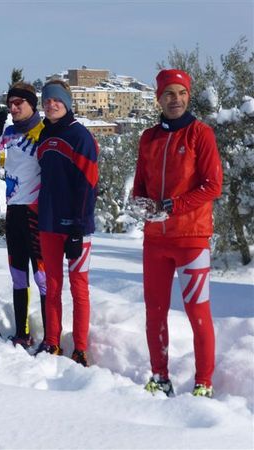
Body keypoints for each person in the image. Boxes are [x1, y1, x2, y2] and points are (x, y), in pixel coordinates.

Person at [133, 69, 223, 398]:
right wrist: (140, 204)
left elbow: (213, 185)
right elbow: (140, 184)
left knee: (198, 312)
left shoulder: (201, 134)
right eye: (169, 94)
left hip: (192, 240)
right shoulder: (149, 138)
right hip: (155, 241)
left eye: (181, 93)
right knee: (154, 311)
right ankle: (160, 377)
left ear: (188, 96)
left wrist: (174, 206)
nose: (176, 99)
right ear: (159, 98)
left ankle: (204, 383)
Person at [35, 80, 99, 366]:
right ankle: (52, 342)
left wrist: (78, 225)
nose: (51, 104)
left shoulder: (80, 136)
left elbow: (89, 184)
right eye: (47, 101)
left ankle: (80, 348)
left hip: (76, 228)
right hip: (48, 224)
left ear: (67, 103)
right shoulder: (44, 137)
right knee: (52, 285)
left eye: (56, 100)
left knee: (79, 286)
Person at [0, 82, 46, 348]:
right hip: (13, 213)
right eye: (10, 103)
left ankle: (51, 337)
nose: (14, 108)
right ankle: (22, 333)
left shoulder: (44, 132)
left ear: (32, 104)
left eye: (19, 103)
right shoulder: (8, 133)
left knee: (43, 277)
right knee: (18, 275)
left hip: (37, 212)